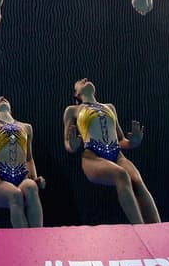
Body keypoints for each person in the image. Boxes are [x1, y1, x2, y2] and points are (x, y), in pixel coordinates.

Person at [63, 78, 159, 224]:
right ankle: (140, 228)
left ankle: (157, 228)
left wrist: (133, 142)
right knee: (121, 175)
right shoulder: (72, 110)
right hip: (92, 157)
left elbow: (120, 140)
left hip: (117, 155)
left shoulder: (109, 107)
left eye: (86, 80)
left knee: (138, 181)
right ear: (76, 94)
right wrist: (72, 145)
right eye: (80, 81)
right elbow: (67, 143)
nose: (85, 80)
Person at [0, 96, 45, 227]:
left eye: (5, 99)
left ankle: (38, 235)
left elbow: (29, 158)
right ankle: (22, 239)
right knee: (15, 194)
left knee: (31, 187)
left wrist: (35, 178)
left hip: (22, 177)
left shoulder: (27, 127)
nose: (1, 98)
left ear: (10, 108)